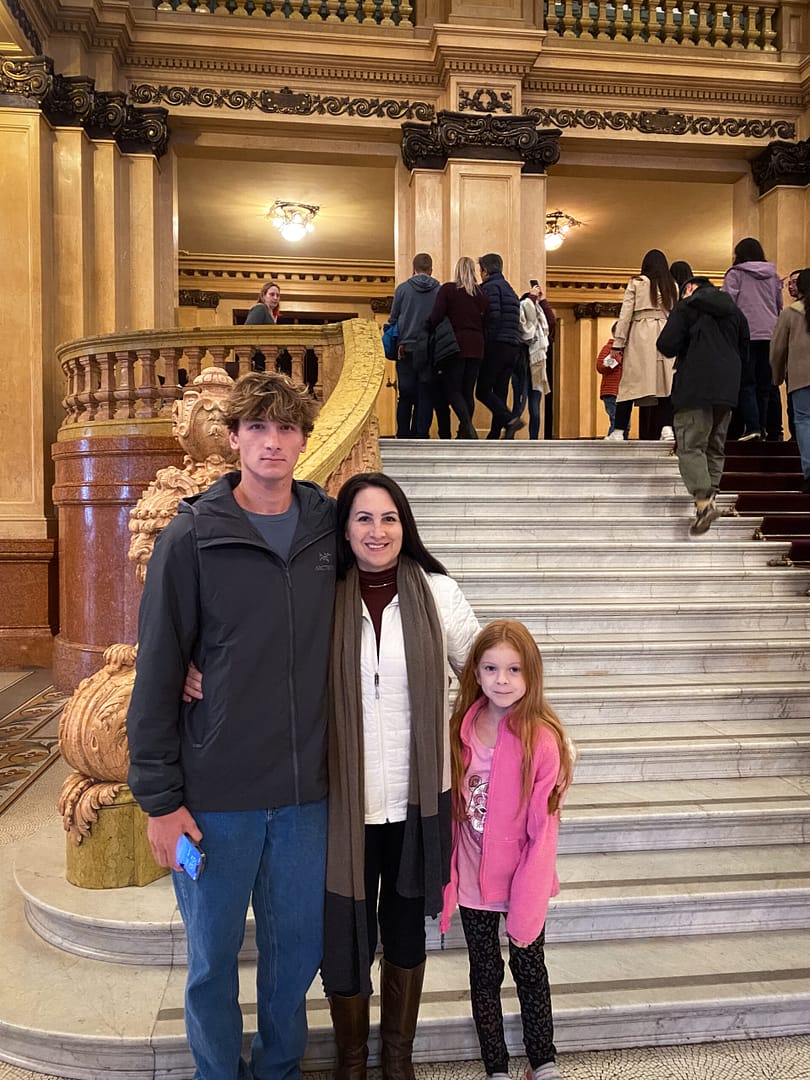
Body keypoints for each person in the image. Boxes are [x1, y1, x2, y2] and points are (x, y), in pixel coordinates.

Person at [127, 371, 335, 1080]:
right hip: (214, 797)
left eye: (285, 429)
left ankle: (277, 1069)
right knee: (213, 958)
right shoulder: (191, 535)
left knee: (294, 954)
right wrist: (159, 800)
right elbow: (157, 669)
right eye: (257, 429)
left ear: (305, 439)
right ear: (235, 439)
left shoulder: (330, 526)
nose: (272, 442)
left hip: (307, 795)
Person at [322, 472, 480, 1080]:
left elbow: (483, 663)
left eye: (388, 518)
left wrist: (524, 726)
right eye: (363, 518)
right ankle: (352, 1061)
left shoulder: (436, 592)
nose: (377, 530)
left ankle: (398, 1060)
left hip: (417, 802)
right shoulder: (325, 594)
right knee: (349, 934)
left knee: (405, 931)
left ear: (404, 525)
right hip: (345, 803)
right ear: (344, 529)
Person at [440, 620, 573, 1080]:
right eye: (492, 668)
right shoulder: (461, 728)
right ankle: (495, 1064)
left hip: (522, 881)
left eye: (514, 669)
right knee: (484, 974)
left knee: (530, 968)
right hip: (475, 882)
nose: (502, 680)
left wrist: (528, 902)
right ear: (475, 672)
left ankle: (543, 1059)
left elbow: (544, 833)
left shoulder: (542, 739)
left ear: (530, 675)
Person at [657, 276, 748, 535]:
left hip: (695, 386)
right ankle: (711, 499)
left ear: (688, 289)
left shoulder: (687, 307)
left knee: (691, 445)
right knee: (715, 447)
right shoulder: (735, 311)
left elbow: (666, 345)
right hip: (728, 387)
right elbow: (745, 349)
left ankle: (704, 502)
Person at [611, 249, 678, 442]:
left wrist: (618, 344)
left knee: (630, 382)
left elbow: (625, 315)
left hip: (641, 334)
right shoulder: (671, 285)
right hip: (665, 334)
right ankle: (667, 428)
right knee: (666, 383)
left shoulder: (637, 283)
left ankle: (618, 430)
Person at [722, 237, 782, 441]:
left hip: (746, 334)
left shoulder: (735, 274)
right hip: (771, 334)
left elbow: (728, 306)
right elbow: (778, 304)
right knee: (765, 385)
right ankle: (764, 428)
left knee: (746, 383)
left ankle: (753, 427)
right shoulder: (773, 275)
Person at [429, 256, 490, 439]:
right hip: (477, 345)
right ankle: (465, 433)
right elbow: (486, 320)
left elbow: (436, 316)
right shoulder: (481, 294)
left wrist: (428, 327)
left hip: (456, 345)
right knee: (467, 391)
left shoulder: (448, 290)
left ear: (457, 270)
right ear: (473, 272)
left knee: (452, 389)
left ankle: (468, 427)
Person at [389, 253, 440, 438]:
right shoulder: (439, 290)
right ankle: (421, 434)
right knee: (425, 393)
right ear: (431, 270)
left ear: (413, 269)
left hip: (406, 348)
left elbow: (393, 319)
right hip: (429, 350)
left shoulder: (402, 289)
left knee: (406, 394)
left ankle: (403, 434)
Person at [770, 267, 810, 494]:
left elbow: (777, 349)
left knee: (804, 423)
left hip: (802, 377)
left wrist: (775, 377)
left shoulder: (790, 314)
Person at [476, 253, 524, 439]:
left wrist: (486, 341)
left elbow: (493, 318)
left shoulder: (490, 288)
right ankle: (497, 432)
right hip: (512, 346)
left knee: (482, 390)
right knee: (500, 390)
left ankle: (511, 420)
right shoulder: (510, 290)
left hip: (497, 344)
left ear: (485, 271)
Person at [516, 284, 550, 440]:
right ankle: (510, 436)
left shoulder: (540, 321)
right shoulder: (521, 314)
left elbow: (552, 322)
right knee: (519, 405)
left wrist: (542, 301)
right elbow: (526, 329)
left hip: (537, 364)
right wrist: (530, 298)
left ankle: (534, 440)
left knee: (535, 408)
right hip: (523, 364)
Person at [596, 321, 628, 440]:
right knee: (616, 421)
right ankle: (611, 447)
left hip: (623, 392)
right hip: (611, 391)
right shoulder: (609, 348)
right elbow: (601, 366)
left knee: (625, 424)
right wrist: (617, 357)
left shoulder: (628, 350)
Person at [244, 280, 281, 372]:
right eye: (272, 294)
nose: (275, 298)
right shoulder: (260, 308)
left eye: (278, 295)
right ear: (263, 296)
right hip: (258, 357)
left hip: (266, 357)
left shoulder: (271, 314)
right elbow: (248, 331)